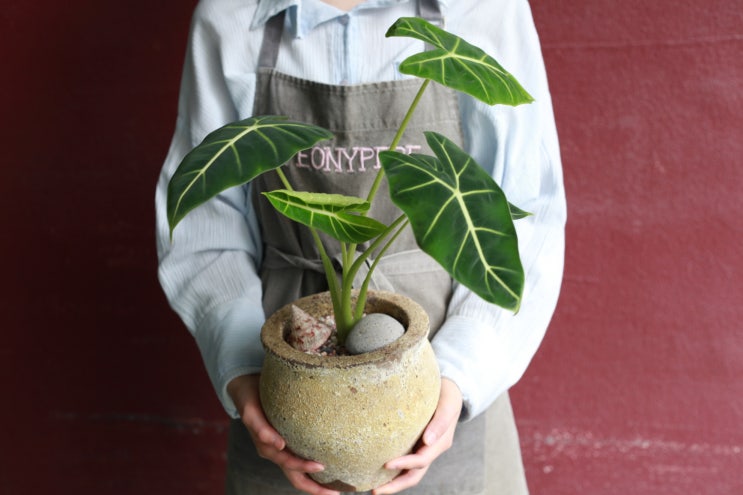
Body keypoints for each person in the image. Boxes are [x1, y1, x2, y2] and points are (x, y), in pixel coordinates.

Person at [155, 0, 566, 494]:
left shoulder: (481, 8)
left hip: (446, 377)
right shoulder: (232, 15)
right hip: (283, 385)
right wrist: (242, 374)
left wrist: (459, 375)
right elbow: (202, 220)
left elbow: (527, 210)